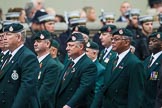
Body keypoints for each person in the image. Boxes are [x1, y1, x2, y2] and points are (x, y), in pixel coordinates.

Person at [101, 28, 145, 108]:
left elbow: (135, 94)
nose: (113, 42)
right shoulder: (111, 60)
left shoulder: (135, 63)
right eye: (112, 39)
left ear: (127, 42)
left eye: (116, 39)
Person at [0, 23, 40, 108]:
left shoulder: (28, 57)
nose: (4, 38)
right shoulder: (7, 56)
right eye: (3, 35)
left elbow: (26, 87)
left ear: (18, 37)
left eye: (8, 35)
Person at [54, 33, 97, 108]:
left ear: (81, 46)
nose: (67, 48)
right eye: (67, 45)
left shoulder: (88, 65)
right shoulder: (70, 62)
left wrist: (69, 104)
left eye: (71, 45)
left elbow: (84, 88)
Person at [33, 30, 60, 108]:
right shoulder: (33, 62)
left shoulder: (52, 65)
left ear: (47, 44)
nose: (35, 44)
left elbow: (45, 92)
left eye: (38, 41)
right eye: (34, 42)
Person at [142, 32, 162, 108]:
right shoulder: (146, 60)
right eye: (150, 40)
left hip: (156, 102)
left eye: (154, 41)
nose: (150, 43)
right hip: (144, 102)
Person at [85, 41, 105, 108]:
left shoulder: (100, 69)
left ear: (94, 53)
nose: (84, 53)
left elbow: (97, 92)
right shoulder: (82, 66)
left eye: (87, 51)